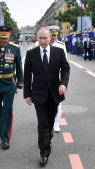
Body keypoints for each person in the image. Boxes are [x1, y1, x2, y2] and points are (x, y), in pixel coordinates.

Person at [24, 27, 70, 167]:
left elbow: (65, 69)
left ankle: (48, 135)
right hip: (38, 94)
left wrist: (63, 84)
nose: (43, 41)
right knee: (42, 121)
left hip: (54, 94)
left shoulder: (59, 52)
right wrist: (27, 94)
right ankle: (44, 153)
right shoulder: (31, 54)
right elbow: (27, 76)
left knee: (50, 119)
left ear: (51, 38)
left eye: (45, 38)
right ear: (37, 39)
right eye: (40, 38)